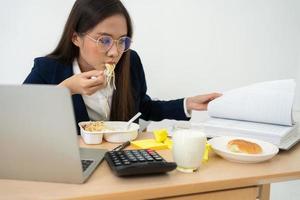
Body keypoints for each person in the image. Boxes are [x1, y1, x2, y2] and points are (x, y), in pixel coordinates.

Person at [24, 0, 221, 133]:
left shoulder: (130, 61)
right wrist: (67, 89)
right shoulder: (47, 69)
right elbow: (18, 117)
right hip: (72, 164)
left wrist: (187, 104)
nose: (115, 52)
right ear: (76, 38)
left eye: (122, 41)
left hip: (122, 161)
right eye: (104, 40)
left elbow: (143, 107)